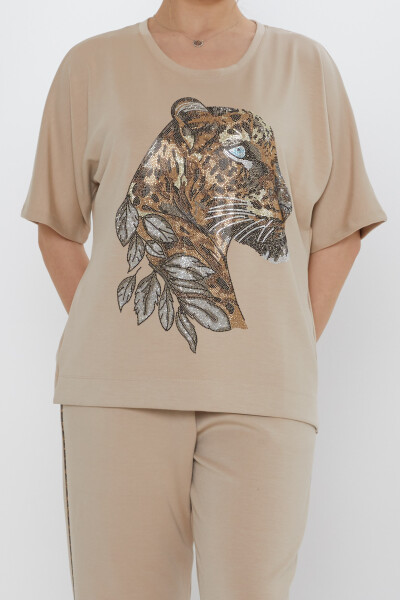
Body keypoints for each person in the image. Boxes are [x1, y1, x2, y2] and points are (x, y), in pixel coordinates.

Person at [20, 0, 388, 598]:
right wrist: (118, 327)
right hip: (117, 394)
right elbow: (56, 226)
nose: (270, 192)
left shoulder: (307, 66)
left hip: (264, 394)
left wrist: (286, 341)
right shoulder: (90, 65)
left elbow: (340, 226)